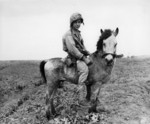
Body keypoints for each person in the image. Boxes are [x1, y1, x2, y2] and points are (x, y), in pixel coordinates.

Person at [62, 12, 92, 106]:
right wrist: (83, 57)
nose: (78, 24)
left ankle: (89, 96)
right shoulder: (68, 34)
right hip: (74, 57)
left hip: (79, 55)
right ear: (72, 23)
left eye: (79, 22)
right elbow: (72, 49)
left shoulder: (78, 33)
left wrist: (87, 52)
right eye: (76, 22)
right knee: (84, 70)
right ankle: (80, 99)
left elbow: (81, 46)